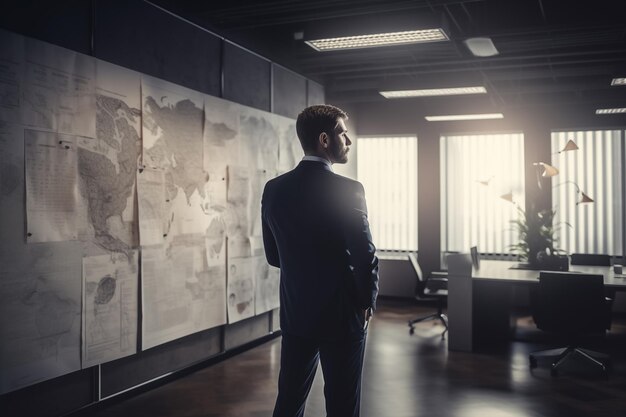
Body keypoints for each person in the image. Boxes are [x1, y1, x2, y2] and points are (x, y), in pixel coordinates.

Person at [261, 104, 379, 417]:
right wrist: (366, 300)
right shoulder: (349, 190)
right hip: (342, 316)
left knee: (289, 400)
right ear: (325, 140)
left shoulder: (274, 189)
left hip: (296, 312)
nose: (349, 141)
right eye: (343, 133)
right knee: (342, 405)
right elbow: (365, 255)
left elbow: (274, 256)